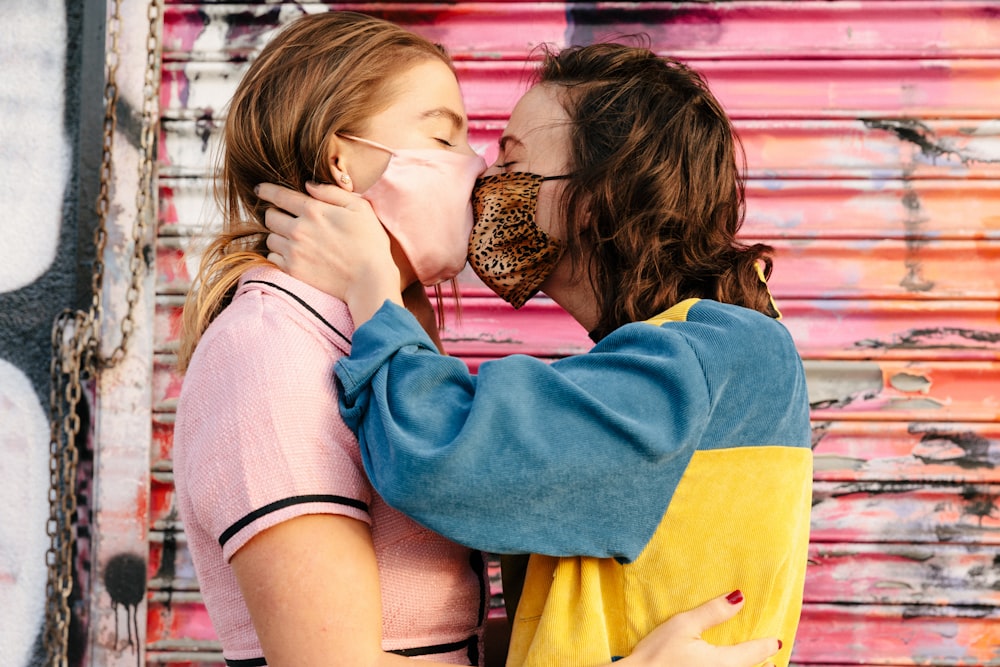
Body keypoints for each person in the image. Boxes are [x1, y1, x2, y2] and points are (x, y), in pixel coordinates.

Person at [174, 12, 781, 667]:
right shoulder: (270, 352)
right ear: (340, 161)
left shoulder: (366, 344)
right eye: (444, 136)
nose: (480, 174)